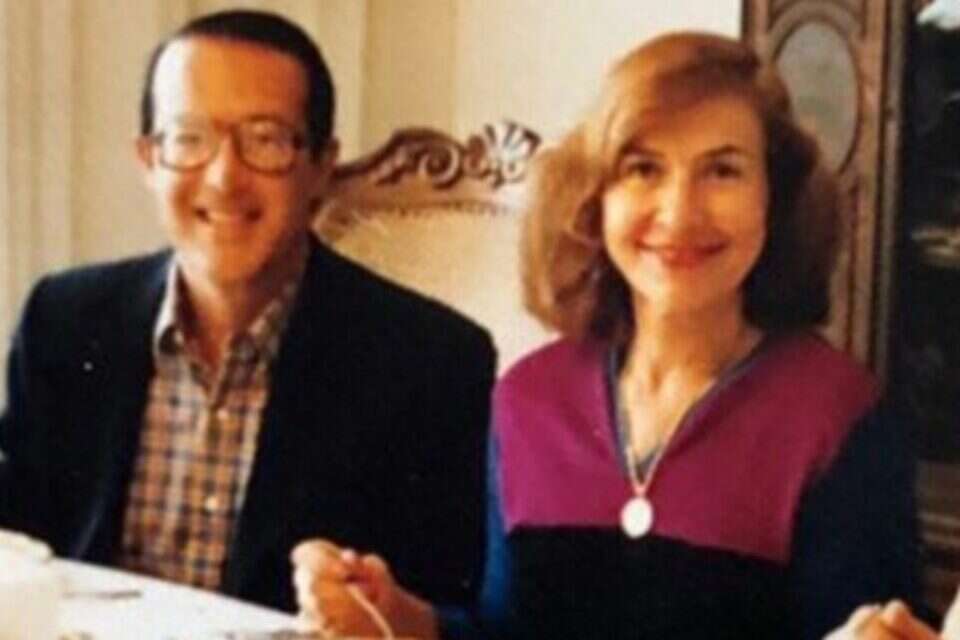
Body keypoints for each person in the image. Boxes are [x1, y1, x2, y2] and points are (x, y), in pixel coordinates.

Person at [292, 31, 919, 639]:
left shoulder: (839, 419)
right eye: (643, 169)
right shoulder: (529, 397)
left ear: (774, 199)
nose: (679, 212)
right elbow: (503, 631)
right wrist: (398, 618)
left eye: (722, 171)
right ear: (594, 199)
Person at [0, 9, 494, 617]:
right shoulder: (65, 320)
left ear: (321, 167)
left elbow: (448, 610)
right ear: (148, 159)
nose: (224, 177)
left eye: (265, 139)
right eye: (188, 138)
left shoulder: (431, 361)